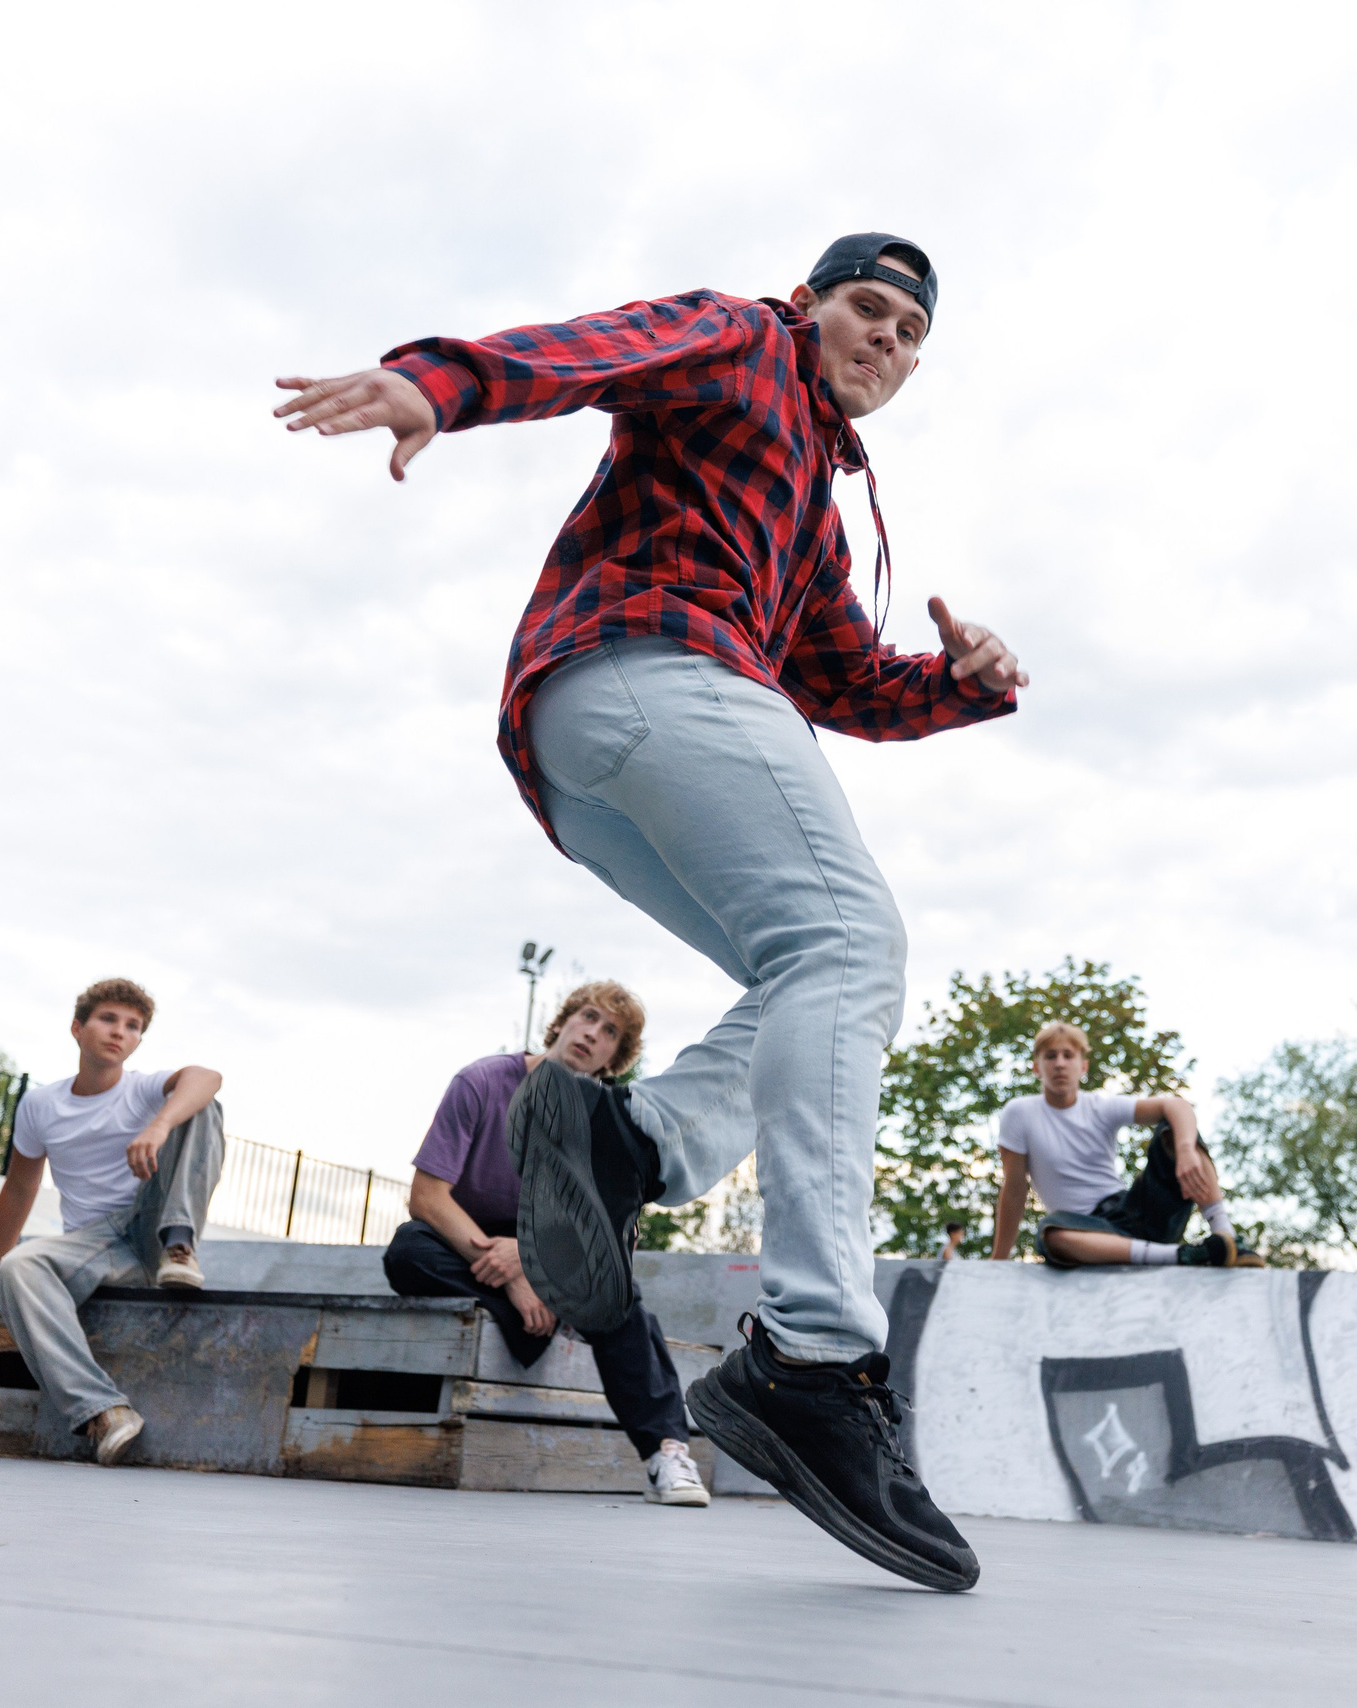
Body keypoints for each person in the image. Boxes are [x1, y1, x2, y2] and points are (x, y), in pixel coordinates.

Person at [275, 234, 1012, 1591]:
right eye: (868, 310)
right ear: (811, 305)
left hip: (589, 746)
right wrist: (440, 382)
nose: (887, 341)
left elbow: (841, 676)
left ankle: (630, 1140)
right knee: (851, 943)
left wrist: (960, 685)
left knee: (807, 978)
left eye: (912, 334)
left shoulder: (811, 508)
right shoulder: (743, 339)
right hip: (650, 667)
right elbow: (600, 353)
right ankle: (814, 1354)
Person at [381, 982, 707, 1507]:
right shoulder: (482, 1082)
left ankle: (667, 1452)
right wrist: (514, 1278)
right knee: (408, 1250)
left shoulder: (611, 1123)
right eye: (588, 1016)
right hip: (468, 1240)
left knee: (620, 1297)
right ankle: (532, 1317)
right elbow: (427, 1197)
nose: (592, 1033)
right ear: (562, 1023)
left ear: (613, 1059)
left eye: (610, 1032)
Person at [0, 978, 224, 1467]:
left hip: (152, 1226)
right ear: (77, 1029)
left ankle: (179, 1245)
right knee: (16, 1269)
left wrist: (159, 1124)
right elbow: (19, 1187)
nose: (119, 1032)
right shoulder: (41, 1105)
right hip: (94, 1245)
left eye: (133, 1026)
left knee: (200, 1106)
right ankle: (104, 1411)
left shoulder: (142, 1090)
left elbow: (207, 1076)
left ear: (138, 1041)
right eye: (108, 1019)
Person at [989, 1022, 1262, 1268]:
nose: (1060, 1064)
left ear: (1083, 1066)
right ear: (1036, 1067)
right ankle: (1187, 1255)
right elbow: (1014, 1188)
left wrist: (1185, 1149)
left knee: (1174, 1130)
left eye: (1068, 1055)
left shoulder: (1100, 1106)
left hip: (1135, 1211)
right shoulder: (1020, 1113)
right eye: (1050, 1056)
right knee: (1050, 1235)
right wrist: (998, 1261)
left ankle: (1227, 1238)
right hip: (1086, 1231)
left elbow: (1176, 1105)